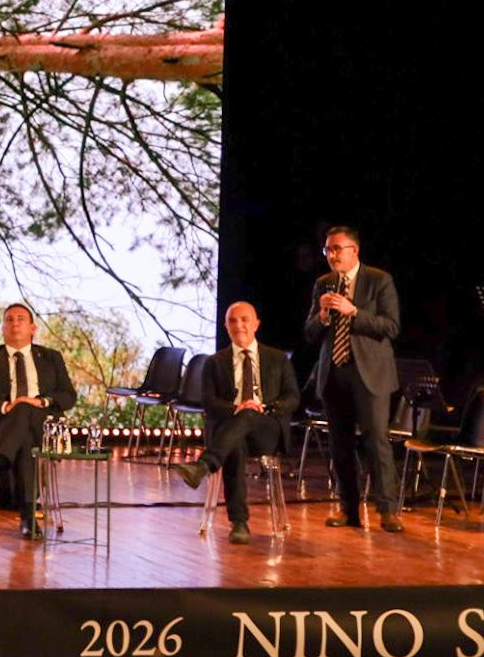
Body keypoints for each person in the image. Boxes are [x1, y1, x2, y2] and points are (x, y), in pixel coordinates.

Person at [172, 301, 300, 544]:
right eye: (232, 321)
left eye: (244, 319)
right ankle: (239, 522)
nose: (239, 325)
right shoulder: (214, 362)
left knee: (249, 414)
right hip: (230, 431)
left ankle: (204, 465)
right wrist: (235, 408)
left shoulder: (277, 359)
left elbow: (293, 398)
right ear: (226, 327)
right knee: (235, 444)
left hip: (266, 429)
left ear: (256, 324)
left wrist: (264, 408)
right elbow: (208, 402)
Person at [304, 226, 403, 532]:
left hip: (370, 374)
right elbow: (309, 333)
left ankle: (387, 510)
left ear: (354, 250)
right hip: (334, 372)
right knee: (340, 445)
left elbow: (390, 327)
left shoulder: (378, 280)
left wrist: (354, 312)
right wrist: (322, 316)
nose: (331, 255)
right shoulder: (323, 284)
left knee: (376, 441)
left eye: (337, 249)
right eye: (327, 250)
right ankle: (348, 509)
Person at [0, 304, 78, 539]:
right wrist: (6, 406)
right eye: (9, 319)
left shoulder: (51, 357)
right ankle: (28, 518)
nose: (14, 323)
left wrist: (41, 401)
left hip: (43, 425)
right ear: (3, 328)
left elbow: (69, 396)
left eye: (20, 319)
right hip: (4, 426)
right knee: (26, 440)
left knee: (26, 408)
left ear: (32, 328)